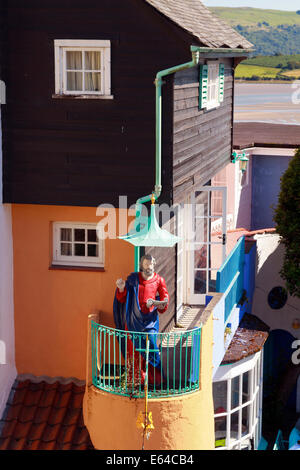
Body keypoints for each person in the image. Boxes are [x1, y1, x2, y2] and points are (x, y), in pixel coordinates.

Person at [113, 254, 169, 389]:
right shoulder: (133, 279)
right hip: (132, 321)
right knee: (133, 351)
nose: (148, 267)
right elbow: (122, 298)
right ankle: (135, 380)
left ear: (154, 264)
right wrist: (121, 288)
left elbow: (165, 302)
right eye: (146, 264)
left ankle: (154, 380)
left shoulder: (159, 280)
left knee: (151, 349)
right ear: (141, 265)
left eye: (150, 264)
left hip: (150, 322)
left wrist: (155, 303)